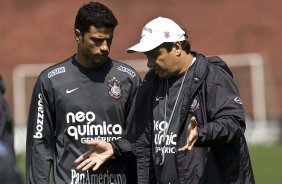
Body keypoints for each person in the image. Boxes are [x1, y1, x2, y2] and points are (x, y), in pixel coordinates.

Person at [75, 17, 255, 184]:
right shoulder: (152, 82)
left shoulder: (212, 76)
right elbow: (141, 138)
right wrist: (115, 148)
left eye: (154, 55)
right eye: (147, 56)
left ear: (177, 47)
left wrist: (202, 133)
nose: (149, 63)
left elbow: (234, 123)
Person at [25, 2, 140, 184]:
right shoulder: (51, 81)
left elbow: (140, 137)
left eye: (109, 40)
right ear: (78, 36)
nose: (105, 47)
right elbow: (39, 144)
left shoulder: (128, 78)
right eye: (97, 40)